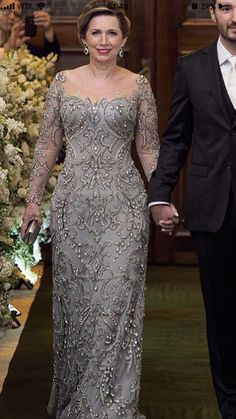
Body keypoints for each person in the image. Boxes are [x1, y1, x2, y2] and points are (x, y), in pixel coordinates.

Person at [21, 1, 161, 417]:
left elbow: (149, 148)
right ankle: (77, 396)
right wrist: (33, 199)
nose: (104, 40)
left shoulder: (139, 86)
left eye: (112, 33)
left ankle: (111, 406)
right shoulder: (63, 82)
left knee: (116, 303)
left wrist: (161, 198)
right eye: (96, 33)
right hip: (74, 206)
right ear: (84, 39)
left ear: (124, 40)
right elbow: (48, 144)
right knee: (79, 304)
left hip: (125, 208)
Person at [149, 1, 236, 418]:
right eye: (226, 6)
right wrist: (160, 193)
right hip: (212, 209)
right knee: (221, 315)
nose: (235, 16)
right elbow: (176, 136)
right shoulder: (193, 67)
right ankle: (230, 406)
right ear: (212, 14)